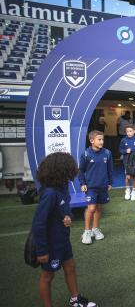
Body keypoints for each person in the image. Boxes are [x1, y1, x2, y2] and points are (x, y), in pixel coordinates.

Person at [32, 152, 96, 307]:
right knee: (47, 276)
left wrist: (68, 217)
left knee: (70, 267)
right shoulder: (49, 193)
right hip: (50, 244)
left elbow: (65, 211)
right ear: (61, 170)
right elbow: (38, 224)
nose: (72, 171)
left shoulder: (63, 187)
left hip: (63, 240)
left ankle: (75, 300)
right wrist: (42, 251)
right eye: (69, 168)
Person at [78, 130, 113, 245]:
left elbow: (110, 169)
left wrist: (110, 182)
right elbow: (81, 170)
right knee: (91, 208)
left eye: (102, 139)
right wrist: (82, 183)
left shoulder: (107, 153)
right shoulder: (86, 154)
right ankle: (87, 231)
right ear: (92, 140)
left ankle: (95, 229)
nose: (102, 141)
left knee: (98, 208)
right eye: (99, 139)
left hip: (102, 186)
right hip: (91, 187)